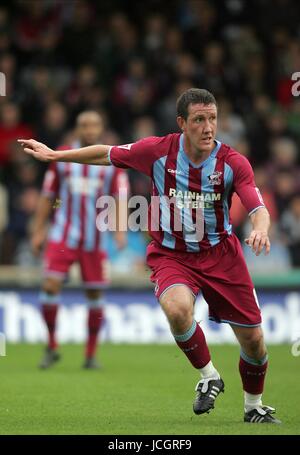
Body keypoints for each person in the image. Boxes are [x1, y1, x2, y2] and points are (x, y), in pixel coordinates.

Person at [19, 88, 281, 423]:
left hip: (222, 256)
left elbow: (256, 205)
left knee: (255, 343)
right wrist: (56, 155)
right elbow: (107, 154)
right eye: (199, 120)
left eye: (212, 119)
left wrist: (260, 228)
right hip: (171, 255)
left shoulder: (232, 162)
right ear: (181, 123)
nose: (208, 127)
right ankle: (209, 376)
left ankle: (253, 406)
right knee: (177, 308)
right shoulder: (158, 151)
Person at [30, 111, 129, 369]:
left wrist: (119, 230)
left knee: (95, 293)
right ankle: (52, 346)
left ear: (101, 128)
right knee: (50, 285)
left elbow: (120, 198)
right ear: (77, 128)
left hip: (94, 239)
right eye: (84, 125)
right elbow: (48, 195)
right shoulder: (61, 156)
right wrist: (39, 229)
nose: (89, 129)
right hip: (63, 234)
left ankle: (90, 355)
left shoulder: (112, 159)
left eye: (94, 125)